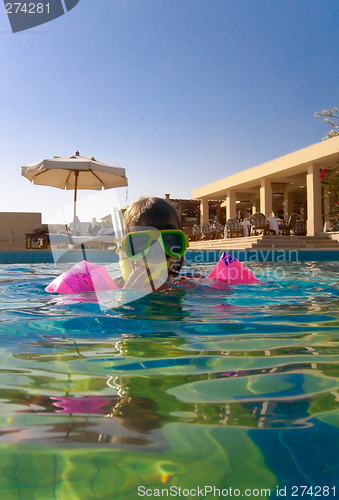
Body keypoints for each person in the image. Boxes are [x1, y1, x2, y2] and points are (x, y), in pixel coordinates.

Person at [114, 197, 187, 290]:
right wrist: (126, 299)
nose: (156, 254)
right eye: (142, 243)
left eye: (168, 242)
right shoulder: (112, 287)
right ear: (126, 248)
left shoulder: (191, 285)